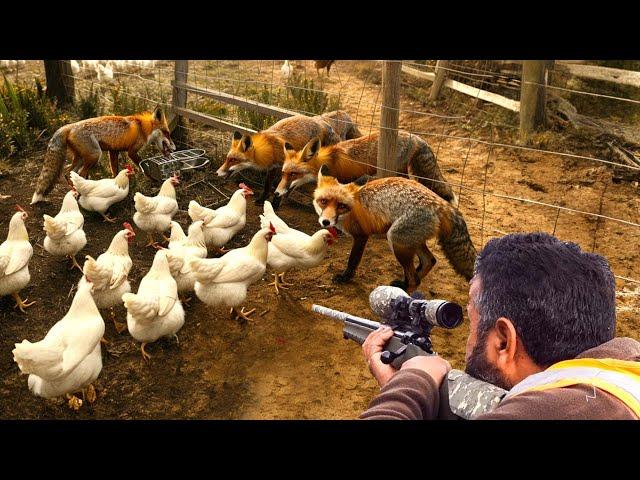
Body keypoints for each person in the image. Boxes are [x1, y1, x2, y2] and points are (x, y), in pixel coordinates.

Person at [359, 232, 640, 420]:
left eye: (472, 320)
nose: (469, 341)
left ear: (504, 342)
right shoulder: (624, 376)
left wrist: (410, 382)